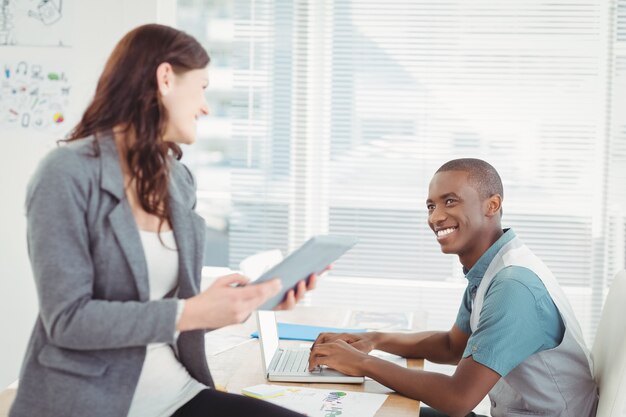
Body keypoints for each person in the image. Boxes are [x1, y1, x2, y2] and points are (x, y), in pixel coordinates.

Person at [10, 24, 314, 417]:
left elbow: (170, 316)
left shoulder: (177, 180)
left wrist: (243, 304)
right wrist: (193, 311)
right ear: (166, 78)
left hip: (174, 393)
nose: (206, 106)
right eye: (203, 87)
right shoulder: (65, 174)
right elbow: (67, 320)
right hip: (89, 401)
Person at [308, 158, 598, 417]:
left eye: (450, 201)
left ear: (492, 205)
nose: (435, 217)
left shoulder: (513, 286)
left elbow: (458, 399)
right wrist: (373, 339)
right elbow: (452, 346)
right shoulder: (490, 268)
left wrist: (362, 364)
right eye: (431, 206)